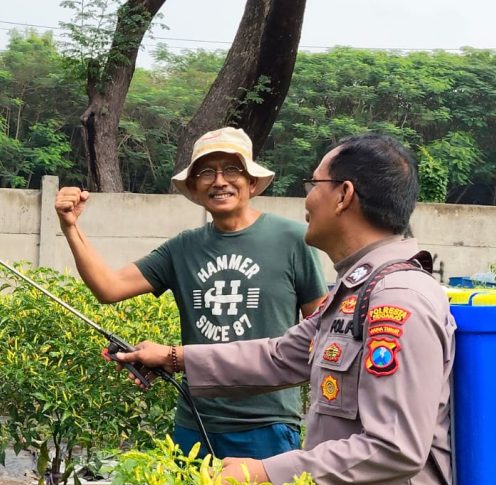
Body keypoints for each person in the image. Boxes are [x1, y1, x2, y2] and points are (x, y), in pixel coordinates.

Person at [115, 133, 467, 485]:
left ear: (343, 195)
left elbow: (394, 447)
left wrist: (265, 474)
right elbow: (280, 355)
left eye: (313, 183)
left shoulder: (397, 299)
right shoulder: (357, 291)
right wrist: (173, 357)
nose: (306, 199)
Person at [54, 126, 327, 460]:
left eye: (232, 169)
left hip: (267, 424)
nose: (220, 181)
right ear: (195, 188)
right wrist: (70, 226)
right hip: (194, 423)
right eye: (207, 172)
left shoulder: (294, 239)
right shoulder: (183, 248)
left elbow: (321, 334)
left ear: (252, 182)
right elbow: (108, 287)